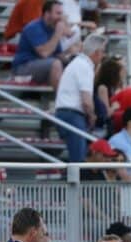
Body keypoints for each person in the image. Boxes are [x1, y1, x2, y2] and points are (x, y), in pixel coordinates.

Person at [55, 32, 105, 162]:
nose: (103, 56)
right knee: (78, 161)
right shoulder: (85, 66)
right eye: (102, 52)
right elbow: (87, 101)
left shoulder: (78, 63)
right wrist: (92, 116)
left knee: (77, 159)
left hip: (66, 113)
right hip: (73, 116)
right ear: (97, 52)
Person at [11, 0, 70, 89]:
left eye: (61, 14)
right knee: (56, 64)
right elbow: (44, 53)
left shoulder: (52, 28)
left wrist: (72, 56)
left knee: (75, 64)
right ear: (47, 14)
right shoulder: (34, 27)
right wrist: (58, 34)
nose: (61, 17)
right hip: (22, 69)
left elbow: (58, 54)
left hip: (41, 67)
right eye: (58, 13)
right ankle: (62, 101)